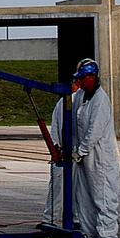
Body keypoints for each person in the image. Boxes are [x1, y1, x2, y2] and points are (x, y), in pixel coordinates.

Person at [72, 57, 120, 238]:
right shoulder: (82, 97)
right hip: (85, 158)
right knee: (84, 198)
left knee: (103, 197)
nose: (80, 83)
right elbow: (77, 127)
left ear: (92, 77)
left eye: (83, 79)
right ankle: (90, 235)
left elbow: (95, 130)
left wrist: (81, 151)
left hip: (101, 158)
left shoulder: (100, 99)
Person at [42, 77, 79, 227]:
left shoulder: (63, 102)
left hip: (64, 150)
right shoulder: (72, 101)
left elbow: (56, 126)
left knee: (59, 188)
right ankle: (56, 218)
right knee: (65, 188)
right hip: (67, 152)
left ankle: (53, 218)